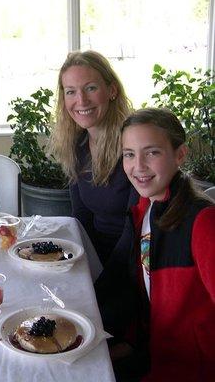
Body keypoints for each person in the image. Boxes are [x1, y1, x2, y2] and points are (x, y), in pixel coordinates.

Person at [96, 108, 215, 381]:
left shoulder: (203, 223)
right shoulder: (145, 210)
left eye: (152, 152)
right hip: (151, 354)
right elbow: (146, 295)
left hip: (191, 369)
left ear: (180, 154)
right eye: (129, 154)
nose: (138, 166)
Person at [49, 50, 136, 264]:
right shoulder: (77, 144)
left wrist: (105, 279)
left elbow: (137, 226)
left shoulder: (134, 145)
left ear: (112, 90)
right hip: (96, 255)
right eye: (71, 91)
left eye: (91, 88)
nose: (81, 100)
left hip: (133, 260)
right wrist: (78, 260)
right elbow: (82, 216)